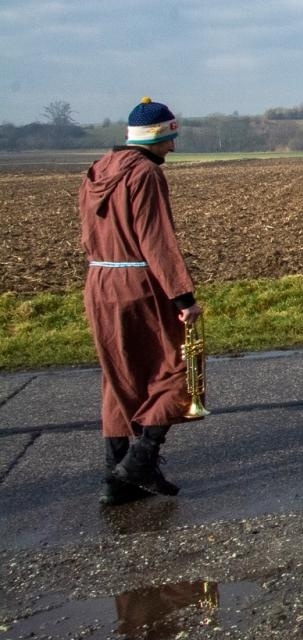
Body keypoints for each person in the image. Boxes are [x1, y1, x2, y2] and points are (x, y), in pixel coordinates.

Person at [78, 97, 205, 504]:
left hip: (99, 280)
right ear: (156, 137)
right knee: (174, 367)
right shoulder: (145, 174)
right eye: (170, 138)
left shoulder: (97, 169)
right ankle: (137, 463)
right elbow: (157, 239)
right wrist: (183, 297)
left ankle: (115, 476)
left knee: (118, 373)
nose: (173, 146)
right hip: (138, 282)